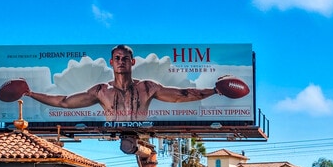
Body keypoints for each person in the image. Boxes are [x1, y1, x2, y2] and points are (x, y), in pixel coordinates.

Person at [24, 45, 222, 123]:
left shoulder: (147, 87)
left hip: (144, 134)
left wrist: (215, 90)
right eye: (117, 58)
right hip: (110, 138)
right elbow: (64, 102)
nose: (121, 61)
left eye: (125, 58)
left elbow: (182, 95)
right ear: (111, 62)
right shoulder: (101, 91)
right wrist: (31, 93)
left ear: (132, 61)